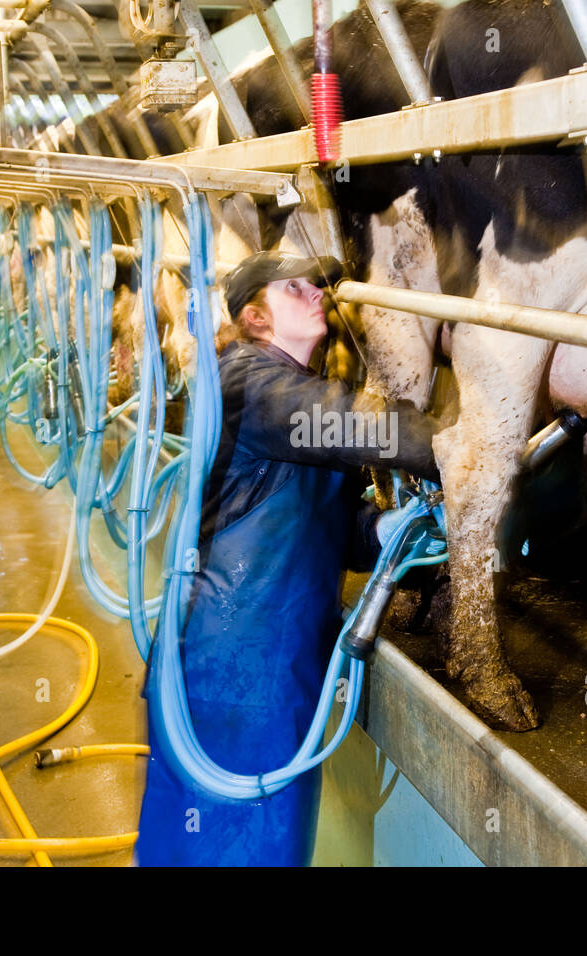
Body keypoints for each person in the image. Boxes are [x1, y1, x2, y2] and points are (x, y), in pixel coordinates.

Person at [135, 251, 441, 866]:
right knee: (225, 842)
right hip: (230, 667)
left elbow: (320, 523)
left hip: (276, 666)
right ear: (254, 318)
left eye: (313, 284)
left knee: (262, 840)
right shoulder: (250, 380)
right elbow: (360, 428)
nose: (314, 294)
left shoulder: (291, 394)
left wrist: (383, 530)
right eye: (293, 289)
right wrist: (470, 442)